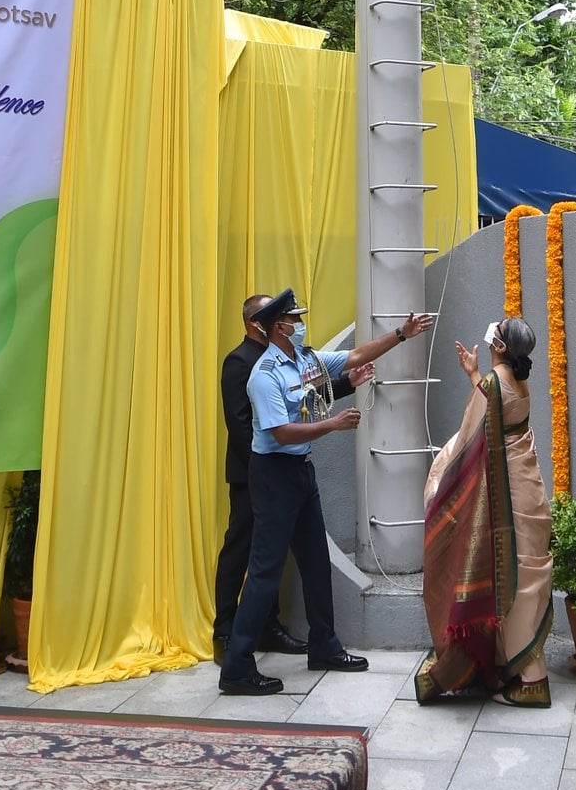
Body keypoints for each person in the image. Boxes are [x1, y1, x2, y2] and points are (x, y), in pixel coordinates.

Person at [219, 286, 435, 696]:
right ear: (276, 327)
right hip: (273, 473)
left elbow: (354, 357)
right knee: (264, 571)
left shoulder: (304, 359)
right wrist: (331, 425)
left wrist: (401, 335)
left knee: (316, 563)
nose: (300, 324)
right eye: (293, 319)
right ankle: (237, 666)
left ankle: (324, 646)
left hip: (300, 472)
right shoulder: (262, 376)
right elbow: (279, 432)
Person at [212, 293, 362, 661]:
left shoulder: (290, 359)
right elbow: (242, 425)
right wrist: (264, 472)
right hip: (258, 473)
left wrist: (351, 380)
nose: (296, 323)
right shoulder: (243, 363)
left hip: (285, 468)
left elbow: (308, 389)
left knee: (286, 561)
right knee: (244, 555)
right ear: (259, 322)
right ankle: (227, 634)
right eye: (288, 318)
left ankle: (271, 629)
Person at [414, 315, 553, 708]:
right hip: (529, 489)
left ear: (501, 347)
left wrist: (443, 478)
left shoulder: (494, 384)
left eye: (498, 333)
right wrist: (475, 374)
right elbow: (495, 409)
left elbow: (472, 433)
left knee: (513, 582)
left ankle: (531, 681)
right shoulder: (519, 378)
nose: (491, 334)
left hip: (508, 492)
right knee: (526, 580)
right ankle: (524, 670)